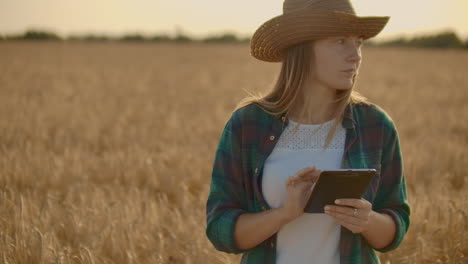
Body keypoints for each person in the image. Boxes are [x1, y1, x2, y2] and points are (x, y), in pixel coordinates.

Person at [205, 0, 411, 263]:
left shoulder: (376, 125)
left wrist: (366, 220)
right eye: (339, 41)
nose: (355, 55)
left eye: (358, 42)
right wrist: (284, 213)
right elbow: (220, 229)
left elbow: (396, 227)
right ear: (302, 48)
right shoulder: (247, 125)